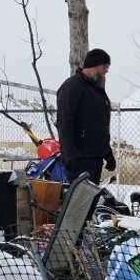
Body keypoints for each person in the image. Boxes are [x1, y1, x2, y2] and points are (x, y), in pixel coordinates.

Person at [56, 48, 115, 184]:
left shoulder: (97, 90)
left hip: (95, 159)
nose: (107, 70)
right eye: (105, 66)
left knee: (90, 202)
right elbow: (65, 123)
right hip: (79, 160)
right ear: (95, 65)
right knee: (79, 203)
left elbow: (100, 126)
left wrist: (108, 154)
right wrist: (70, 157)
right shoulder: (72, 87)